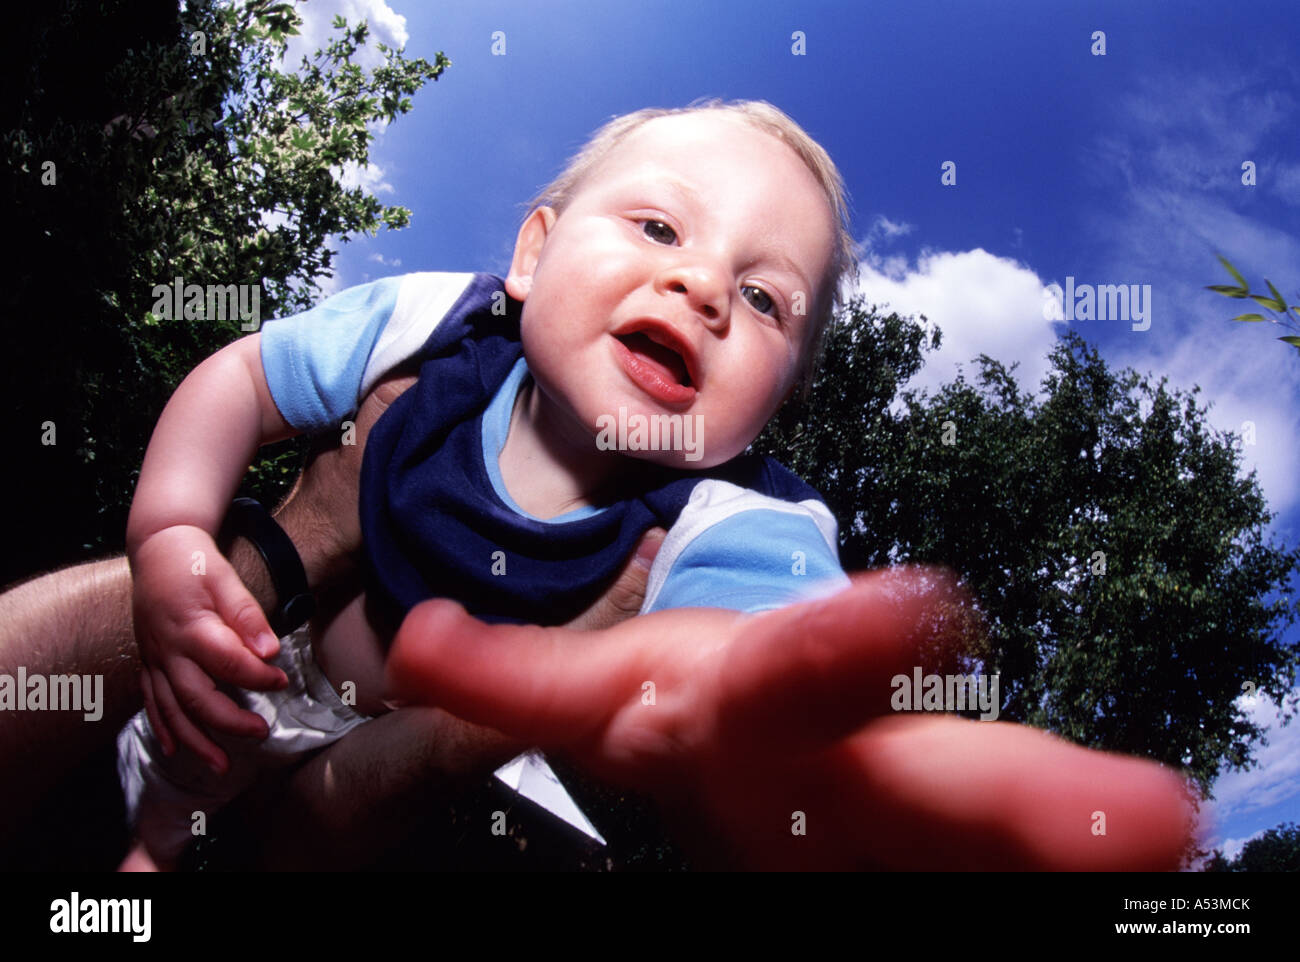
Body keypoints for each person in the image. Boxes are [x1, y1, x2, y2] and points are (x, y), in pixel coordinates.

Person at [113, 97, 1195, 870]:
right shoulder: (438, 324)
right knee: (179, 767)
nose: (702, 285)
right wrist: (169, 531)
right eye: (659, 227)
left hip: (414, 767)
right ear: (533, 254)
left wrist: (783, 730)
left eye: (765, 300)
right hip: (269, 659)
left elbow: (759, 645)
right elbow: (242, 378)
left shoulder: (735, 515)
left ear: (772, 410)